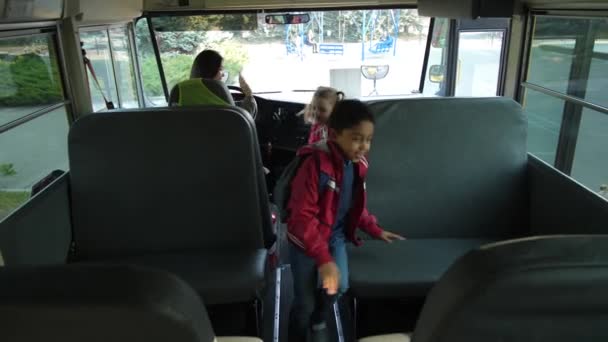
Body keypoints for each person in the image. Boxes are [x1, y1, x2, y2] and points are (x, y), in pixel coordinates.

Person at [287, 99, 405, 342]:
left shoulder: (358, 165)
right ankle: (299, 331)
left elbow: (352, 206)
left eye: (368, 140)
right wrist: (323, 259)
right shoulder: (314, 165)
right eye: (356, 138)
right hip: (304, 241)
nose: (363, 146)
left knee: (339, 287)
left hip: (335, 236)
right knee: (304, 303)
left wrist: (373, 228)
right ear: (334, 134)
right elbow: (301, 218)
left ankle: (319, 318)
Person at [170, 49, 257, 117]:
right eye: (220, 69)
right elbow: (242, 121)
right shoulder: (219, 90)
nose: (222, 75)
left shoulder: (179, 92)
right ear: (211, 71)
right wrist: (249, 95)